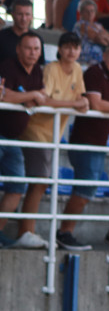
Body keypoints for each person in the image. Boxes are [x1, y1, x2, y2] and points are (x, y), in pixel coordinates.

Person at [9, 31, 89, 249]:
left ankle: (26, 230)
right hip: (36, 131)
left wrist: (81, 102)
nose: (72, 51)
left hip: (54, 134)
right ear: (59, 50)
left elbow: (81, 98)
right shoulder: (51, 69)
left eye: (76, 47)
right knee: (39, 181)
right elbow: (46, 101)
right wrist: (74, 104)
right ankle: (25, 231)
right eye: (67, 47)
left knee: (39, 183)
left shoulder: (78, 70)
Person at [56, 43, 109, 251]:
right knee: (85, 189)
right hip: (85, 141)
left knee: (87, 189)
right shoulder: (94, 72)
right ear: (104, 56)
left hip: (99, 142)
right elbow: (97, 104)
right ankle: (64, 232)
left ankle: (65, 232)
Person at [0, 31, 48, 249]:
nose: (32, 53)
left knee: (17, 186)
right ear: (18, 49)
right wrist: (30, 96)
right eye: (28, 48)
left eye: (36, 49)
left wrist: (32, 97)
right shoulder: (7, 66)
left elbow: (42, 96)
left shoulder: (38, 70)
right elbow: (3, 95)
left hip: (14, 138)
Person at [72, 0, 109, 69]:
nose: (90, 13)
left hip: (100, 58)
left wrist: (105, 39)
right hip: (86, 58)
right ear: (81, 12)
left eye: (92, 11)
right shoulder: (80, 24)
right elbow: (98, 39)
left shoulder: (98, 25)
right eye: (86, 11)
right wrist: (105, 38)